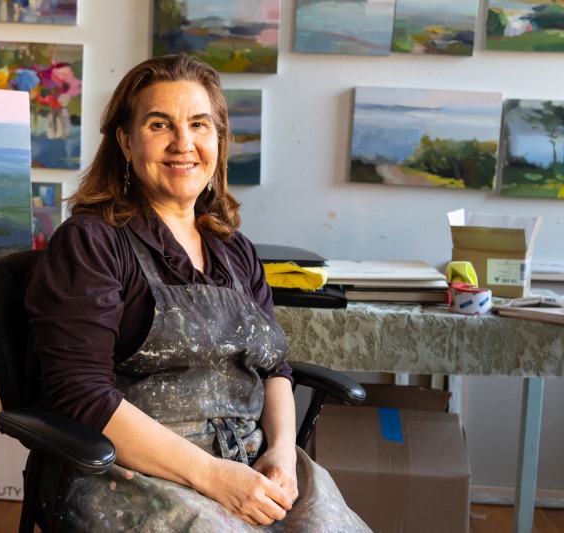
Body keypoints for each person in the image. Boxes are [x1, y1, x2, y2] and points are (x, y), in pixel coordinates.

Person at [26, 54, 370, 532]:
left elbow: (275, 369)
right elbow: (78, 394)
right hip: (132, 476)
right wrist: (213, 475)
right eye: (160, 124)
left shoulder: (236, 250)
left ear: (218, 139)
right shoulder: (92, 242)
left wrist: (281, 454)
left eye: (199, 125)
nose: (183, 143)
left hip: (251, 462)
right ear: (126, 140)